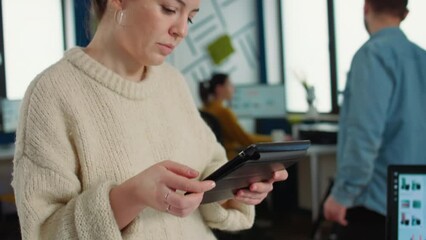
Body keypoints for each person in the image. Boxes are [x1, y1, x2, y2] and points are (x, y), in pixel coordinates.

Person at [11, 0, 288, 239]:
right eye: (169, 9)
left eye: (191, 16)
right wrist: (131, 196)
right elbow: (44, 232)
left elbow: (209, 167)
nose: (182, 30)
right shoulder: (52, 93)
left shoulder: (173, 83)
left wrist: (239, 185)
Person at [323, 0, 426, 239]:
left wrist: (342, 195)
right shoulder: (422, 58)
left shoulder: (372, 54)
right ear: (405, 14)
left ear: (366, 7)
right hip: (416, 200)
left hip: (375, 201)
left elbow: (364, 134)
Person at [199, 73, 277, 159]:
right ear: (219, 89)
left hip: (212, 159)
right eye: (229, 85)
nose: (233, 88)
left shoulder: (204, 109)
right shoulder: (223, 112)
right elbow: (246, 139)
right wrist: (275, 139)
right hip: (227, 159)